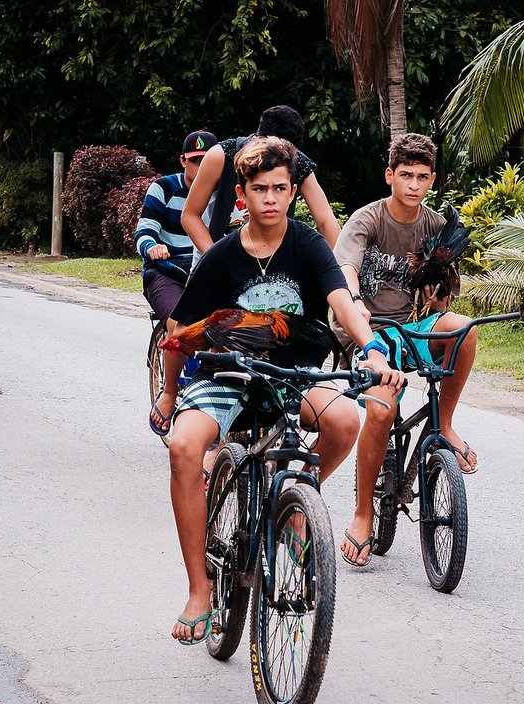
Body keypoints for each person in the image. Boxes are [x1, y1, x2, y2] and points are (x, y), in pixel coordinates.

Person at [166, 136, 404, 644]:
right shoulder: (221, 257)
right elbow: (178, 331)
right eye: (259, 189)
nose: (270, 199)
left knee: (345, 420)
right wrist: (170, 394)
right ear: (241, 196)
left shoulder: (307, 244)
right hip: (226, 376)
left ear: (293, 191)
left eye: (279, 188)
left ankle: (297, 498)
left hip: (290, 377)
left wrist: (373, 350)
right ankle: (198, 589)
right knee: (185, 447)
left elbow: (340, 297)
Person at [331, 132, 478, 567]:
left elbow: (444, 293)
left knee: (463, 328)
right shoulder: (367, 219)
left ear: (432, 180)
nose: (414, 185)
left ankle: (445, 425)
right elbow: (344, 270)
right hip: (365, 332)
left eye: (423, 177)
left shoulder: (434, 224)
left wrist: (440, 295)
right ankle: (361, 515)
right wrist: (356, 304)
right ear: (389, 175)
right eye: (406, 175)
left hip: (411, 329)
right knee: (380, 411)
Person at [135, 130, 218, 435]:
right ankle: (169, 394)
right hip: (167, 271)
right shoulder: (164, 188)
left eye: (206, 160)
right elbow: (144, 231)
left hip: (208, 272)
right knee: (179, 323)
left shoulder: (224, 194)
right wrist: (151, 247)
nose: (200, 167)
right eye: (194, 161)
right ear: (183, 161)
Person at [181, 105, 341, 260]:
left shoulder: (297, 162)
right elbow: (190, 215)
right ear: (258, 139)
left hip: (272, 260)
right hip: (214, 251)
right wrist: (216, 260)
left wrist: (342, 270)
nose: (277, 161)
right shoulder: (221, 155)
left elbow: (326, 220)